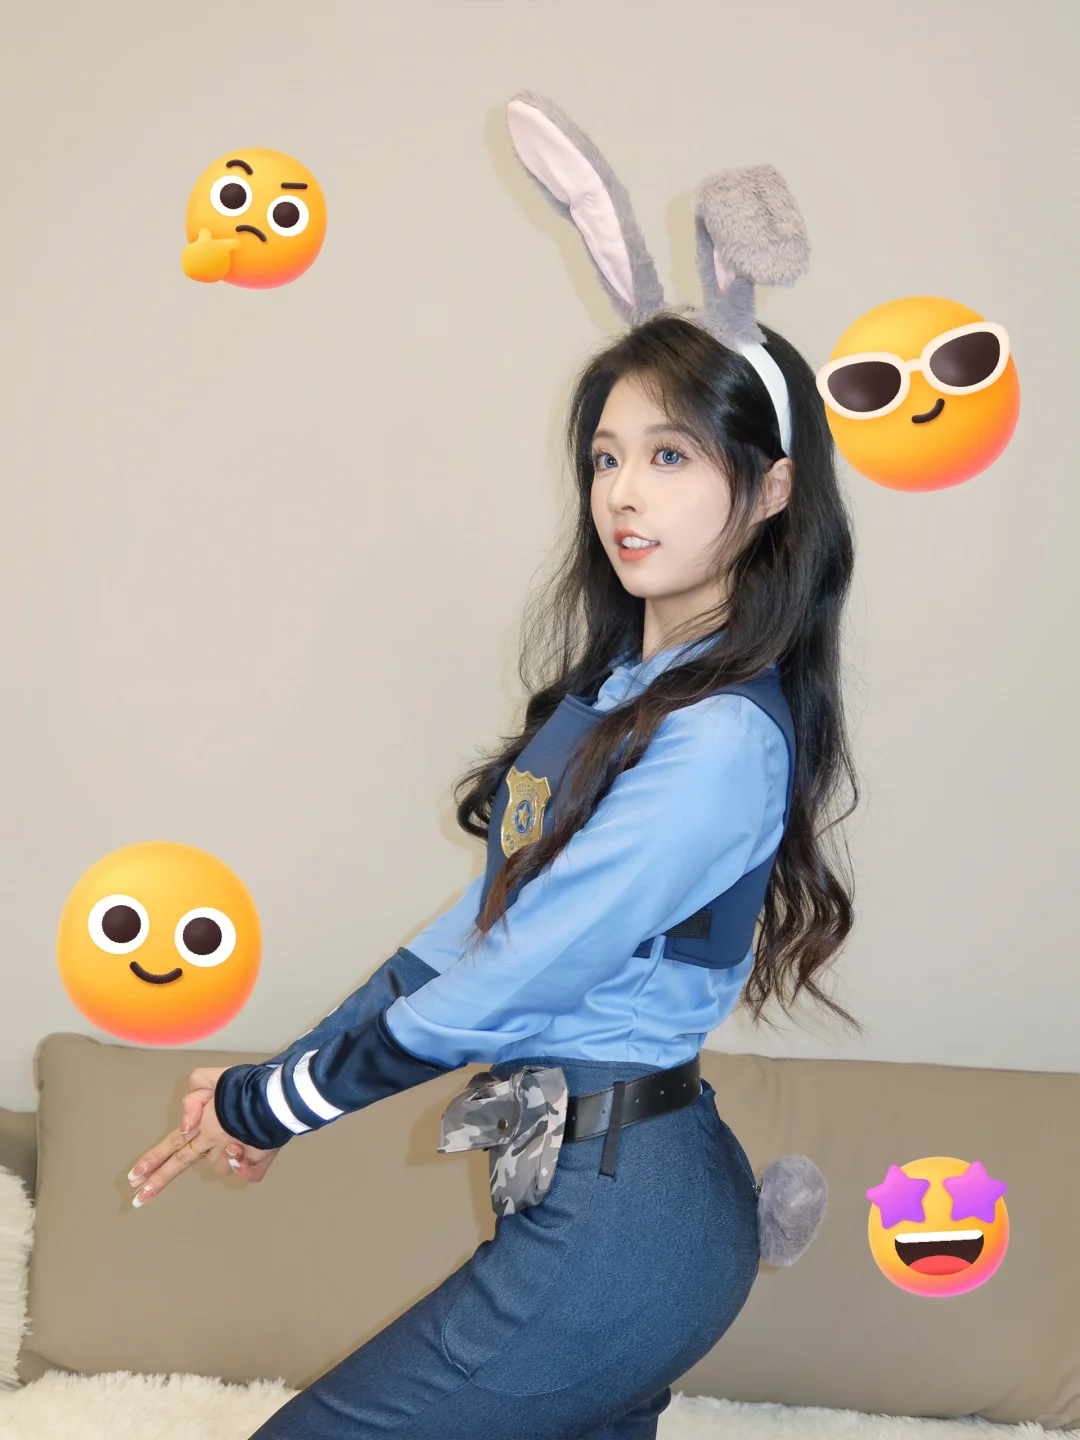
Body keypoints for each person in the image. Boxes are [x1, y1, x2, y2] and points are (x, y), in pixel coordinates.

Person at [126, 92, 862, 1439]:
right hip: (601, 1196)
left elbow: (520, 973)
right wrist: (278, 1078)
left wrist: (270, 1106)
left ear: (768, 492)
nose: (623, 493)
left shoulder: (719, 739)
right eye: (607, 457)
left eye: (672, 456)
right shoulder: (619, 700)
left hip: (623, 1215)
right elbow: (471, 930)